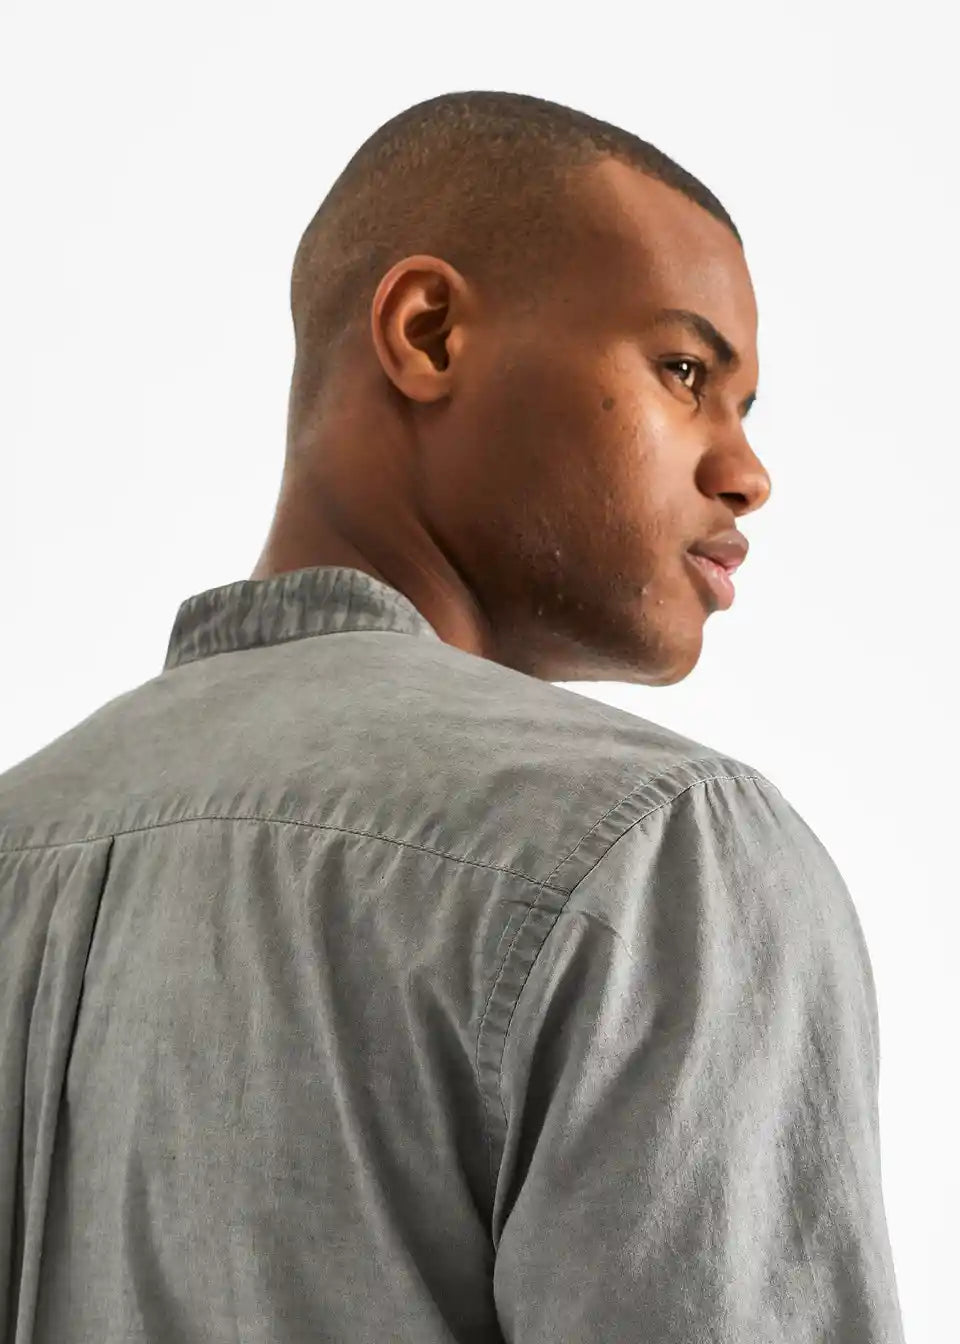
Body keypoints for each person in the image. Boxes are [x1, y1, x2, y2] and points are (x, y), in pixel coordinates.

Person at [0, 90, 905, 1342]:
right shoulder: (655, 858)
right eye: (685, 372)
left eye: (743, 410)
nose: (746, 473)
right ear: (426, 332)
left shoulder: (20, 839)